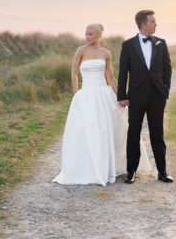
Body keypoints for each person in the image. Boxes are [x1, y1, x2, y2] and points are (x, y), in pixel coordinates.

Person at [52, 23, 150, 186]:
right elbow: (74, 73)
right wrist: (77, 93)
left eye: (90, 34)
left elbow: (110, 77)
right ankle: (89, 167)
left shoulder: (106, 53)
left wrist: (121, 95)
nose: (87, 37)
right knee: (88, 130)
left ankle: (109, 166)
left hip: (103, 95)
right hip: (87, 94)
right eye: (86, 34)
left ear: (99, 36)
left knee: (108, 129)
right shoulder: (80, 51)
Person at [117, 10, 173, 183]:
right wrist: (122, 95)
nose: (156, 24)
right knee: (133, 133)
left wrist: (165, 89)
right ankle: (131, 171)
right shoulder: (128, 45)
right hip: (136, 96)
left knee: (157, 134)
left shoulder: (161, 44)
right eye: (153, 22)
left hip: (157, 96)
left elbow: (167, 69)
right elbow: (123, 72)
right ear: (143, 24)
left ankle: (162, 172)